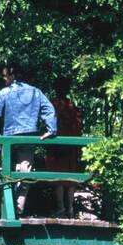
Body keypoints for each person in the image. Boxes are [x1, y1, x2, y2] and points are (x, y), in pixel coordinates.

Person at [0, 61, 57, 216]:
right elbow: (49, 109)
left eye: (5, 76)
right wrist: (51, 129)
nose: (3, 79)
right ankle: (19, 209)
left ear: (12, 75)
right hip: (29, 137)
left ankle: (9, 209)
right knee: (24, 171)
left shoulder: (5, 93)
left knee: (5, 170)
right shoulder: (35, 92)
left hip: (11, 137)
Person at [46, 78, 82, 217]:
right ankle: (70, 209)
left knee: (59, 177)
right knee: (70, 176)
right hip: (71, 144)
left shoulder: (54, 104)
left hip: (57, 144)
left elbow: (49, 123)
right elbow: (78, 126)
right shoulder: (71, 105)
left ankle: (61, 208)